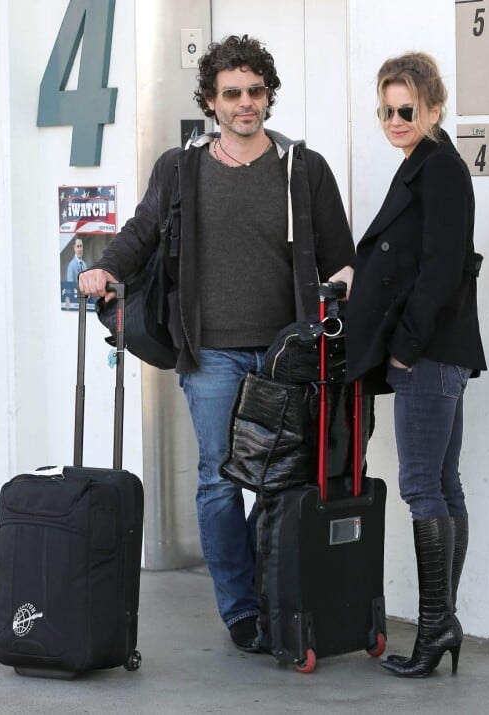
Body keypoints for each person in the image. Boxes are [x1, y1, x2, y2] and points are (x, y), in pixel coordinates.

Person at [78, 34, 355, 653]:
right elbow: (141, 230)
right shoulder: (182, 168)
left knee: (284, 480)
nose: (245, 103)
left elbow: (342, 258)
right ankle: (240, 610)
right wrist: (108, 269)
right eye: (232, 93)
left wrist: (343, 287)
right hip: (210, 355)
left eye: (256, 91)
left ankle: (263, 581)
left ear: (268, 96)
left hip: (289, 354)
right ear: (211, 100)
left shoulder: (302, 169)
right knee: (219, 480)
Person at [345, 52, 486, 678]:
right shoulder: (425, 167)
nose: (395, 119)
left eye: (407, 109)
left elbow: (442, 269)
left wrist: (403, 345)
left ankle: (433, 628)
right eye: (386, 109)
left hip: (428, 353)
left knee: (421, 487)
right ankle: (443, 622)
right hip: (436, 351)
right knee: (443, 483)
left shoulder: (441, 171)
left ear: (433, 108)